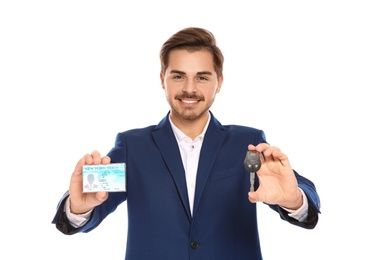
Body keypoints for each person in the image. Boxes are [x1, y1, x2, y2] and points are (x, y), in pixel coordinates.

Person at [52, 27, 321, 260]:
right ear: (162, 80)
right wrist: (78, 208)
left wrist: (294, 199)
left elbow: (302, 193)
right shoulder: (133, 147)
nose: (189, 88)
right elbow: (90, 205)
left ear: (219, 83)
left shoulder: (247, 143)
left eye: (202, 77)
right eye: (178, 76)